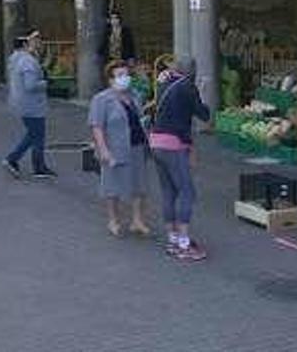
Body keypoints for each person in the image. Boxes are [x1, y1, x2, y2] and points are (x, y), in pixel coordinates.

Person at [149, 56, 211, 261]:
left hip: (156, 141)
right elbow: (204, 114)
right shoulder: (187, 87)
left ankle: (173, 239)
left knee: (168, 190)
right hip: (173, 144)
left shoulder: (163, 82)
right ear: (193, 71)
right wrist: (202, 92)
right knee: (187, 191)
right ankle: (184, 242)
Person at [89, 60, 151, 237]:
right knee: (112, 185)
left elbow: (140, 115)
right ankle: (113, 220)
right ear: (110, 80)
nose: (125, 78)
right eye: (120, 75)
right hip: (115, 147)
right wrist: (103, 149)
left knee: (139, 184)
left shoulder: (134, 96)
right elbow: (97, 126)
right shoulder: (102, 99)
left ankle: (137, 220)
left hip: (137, 144)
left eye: (126, 74)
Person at [3, 28, 56, 179]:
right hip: (32, 104)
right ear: (26, 43)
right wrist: (46, 83)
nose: (38, 42)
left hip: (20, 102)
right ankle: (26, 163)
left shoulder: (14, 58)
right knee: (37, 135)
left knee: (33, 134)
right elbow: (31, 85)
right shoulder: (28, 61)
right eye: (35, 39)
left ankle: (18, 161)